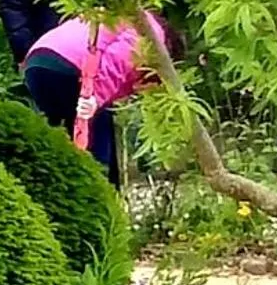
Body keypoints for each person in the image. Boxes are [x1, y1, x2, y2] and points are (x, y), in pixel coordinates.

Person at [21, 12, 171, 182]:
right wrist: (95, 96)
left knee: (63, 144)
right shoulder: (151, 32)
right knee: (97, 152)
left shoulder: (120, 15)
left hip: (38, 63)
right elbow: (119, 59)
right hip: (73, 66)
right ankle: (97, 194)